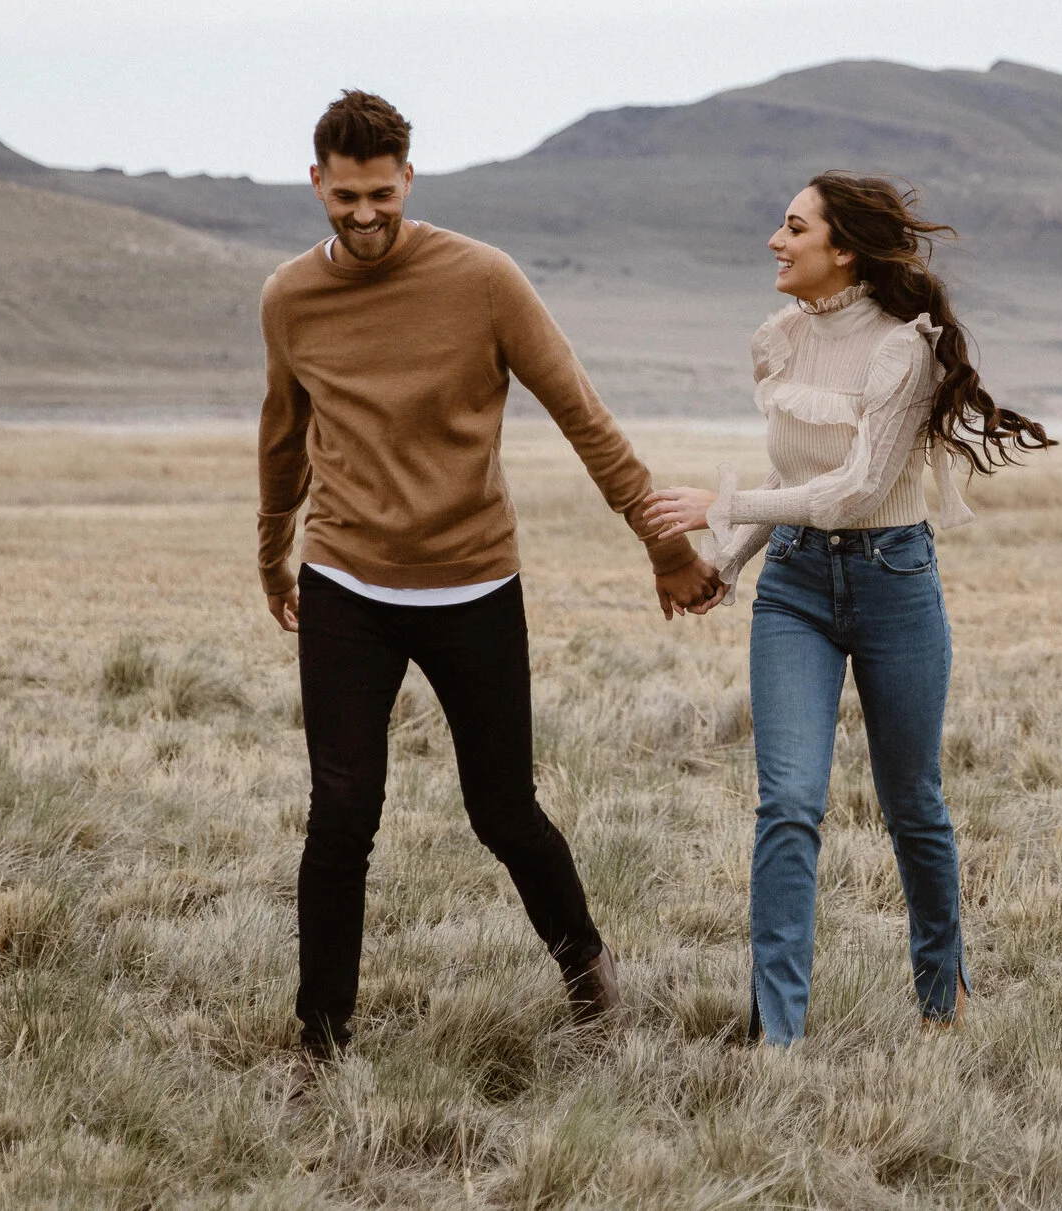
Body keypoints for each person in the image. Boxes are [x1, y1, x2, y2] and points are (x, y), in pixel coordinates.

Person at [259, 90, 725, 1057]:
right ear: (316, 183)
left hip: (472, 582)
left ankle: (588, 972)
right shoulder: (289, 298)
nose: (363, 214)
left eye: (380, 193)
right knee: (341, 811)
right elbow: (283, 435)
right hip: (348, 579)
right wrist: (273, 549)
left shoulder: (483, 279)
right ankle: (322, 1041)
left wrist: (662, 541)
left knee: (502, 807)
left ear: (408, 180)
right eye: (344, 196)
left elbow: (583, 416)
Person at [642, 172, 1051, 1046]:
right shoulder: (781, 338)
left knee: (913, 803)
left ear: (844, 248)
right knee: (788, 802)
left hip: (893, 581)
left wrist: (723, 508)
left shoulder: (906, 348)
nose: (773, 242)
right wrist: (729, 562)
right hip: (793, 587)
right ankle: (777, 1036)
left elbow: (860, 486)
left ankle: (942, 997)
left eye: (793, 228)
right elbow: (800, 485)